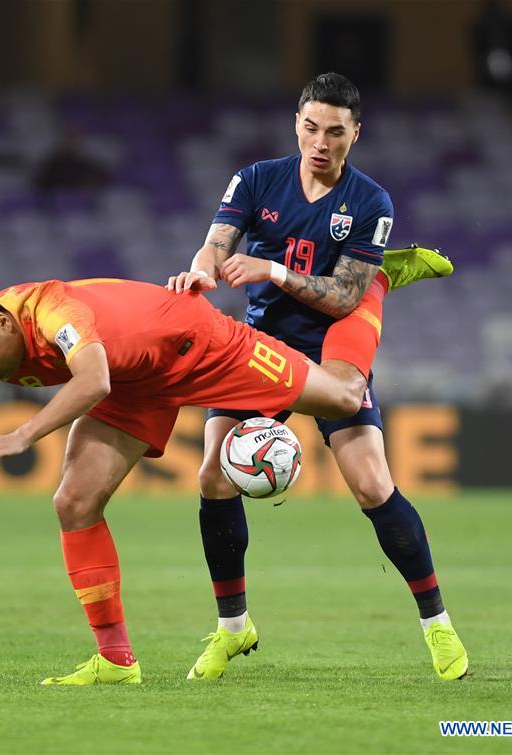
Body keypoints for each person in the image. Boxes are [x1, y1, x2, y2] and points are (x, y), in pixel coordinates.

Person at [0, 256, 440, 686]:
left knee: (345, 397)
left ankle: (378, 281)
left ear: (1, 320)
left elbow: (92, 377)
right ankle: (115, 660)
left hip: (201, 346)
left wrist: (23, 433)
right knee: (74, 501)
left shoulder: (54, 314)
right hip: (135, 383)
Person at [167, 72, 468, 682]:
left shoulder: (371, 201)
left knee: (371, 484)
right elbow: (215, 245)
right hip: (261, 351)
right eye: (311, 127)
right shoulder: (256, 180)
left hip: (333, 344)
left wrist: (273, 271)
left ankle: (437, 626)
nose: (321, 142)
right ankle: (233, 628)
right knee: (211, 476)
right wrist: (200, 271)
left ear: (356, 134)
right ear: (296, 125)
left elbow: (341, 297)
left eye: (335, 131)